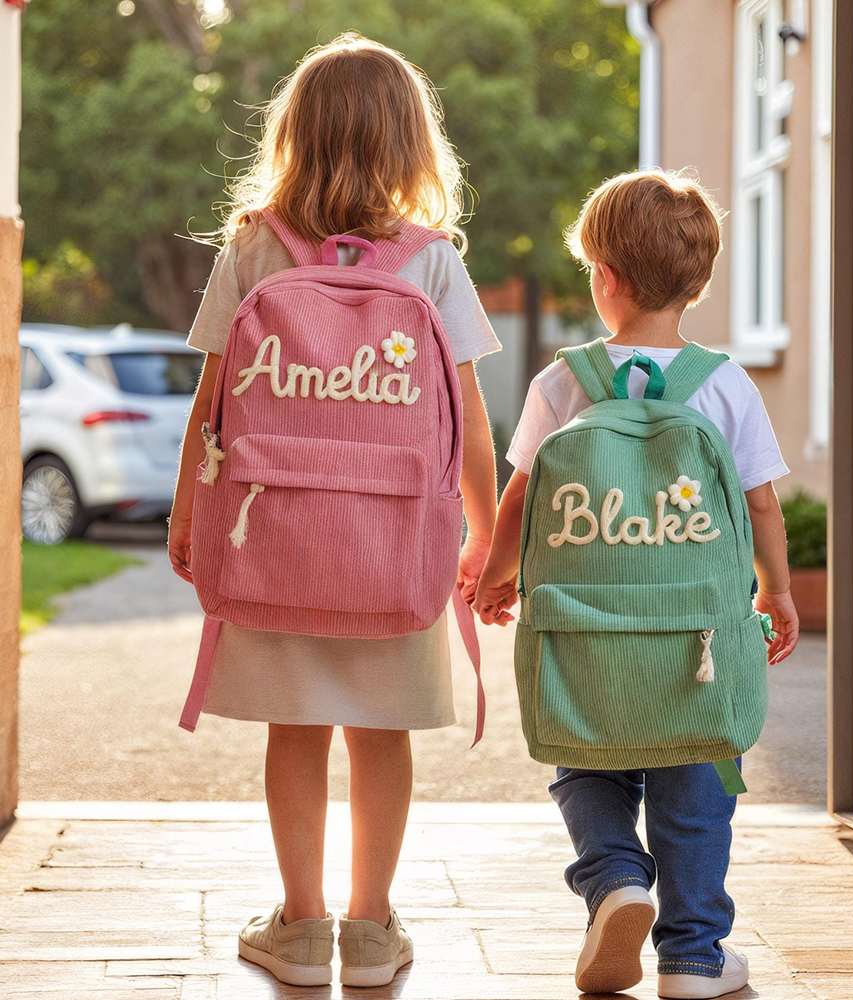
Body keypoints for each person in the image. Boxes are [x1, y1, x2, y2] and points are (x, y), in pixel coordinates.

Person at [168, 34, 500, 989]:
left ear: (294, 136)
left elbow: (214, 398)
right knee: (380, 731)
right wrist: (480, 536)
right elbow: (469, 420)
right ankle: (371, 928)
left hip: (273, 539)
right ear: (411, 143)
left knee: (296, 730)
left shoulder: (255, 243)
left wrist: (193, 512)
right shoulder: (431, 261)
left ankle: (302, 927)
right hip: (393, 548)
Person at [473, 169, 799, 999]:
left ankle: (616, 876)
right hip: (698, 646)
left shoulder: (563, 382)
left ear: (606, 279)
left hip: (584, 634)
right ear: (697, 282)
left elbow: (520, 497)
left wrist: (497, 577)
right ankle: (693, 957)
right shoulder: (726, 385)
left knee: (583, 762)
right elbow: (761, 507)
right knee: (699, 779)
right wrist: (778, 595)